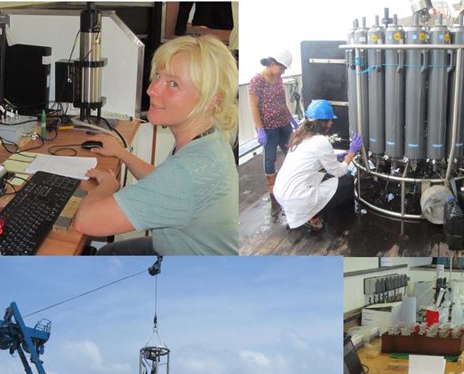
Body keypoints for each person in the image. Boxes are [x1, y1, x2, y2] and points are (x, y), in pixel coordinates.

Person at [73, 35, 238, 255]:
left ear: (212, 100)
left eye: (173, 83)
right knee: (109, 252)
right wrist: (122, 154)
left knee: (102, 254)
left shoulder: (187, 174)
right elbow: (163, 181)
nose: (152, 89)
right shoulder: (210, 140)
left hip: (194, 281)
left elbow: (86, 222)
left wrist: (108, 185)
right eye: (158, 76)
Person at [273, 99, 362, 231]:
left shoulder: (300, 137)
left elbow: (311, 160)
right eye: (329, 120)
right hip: (296, 197)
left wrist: (336, 157)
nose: (331, 123)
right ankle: (315, 215)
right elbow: (340, 171)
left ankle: (304, 212)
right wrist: (351, 153)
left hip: (280, 193)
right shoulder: (320, 141)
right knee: (347, 181)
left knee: (323, 177)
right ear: (321, 123)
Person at [249, 49, 299, 218]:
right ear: (272, 64)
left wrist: (291, 118)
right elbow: (253, 106)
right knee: (270, 158)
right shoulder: (257, 81)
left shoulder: (278, 78)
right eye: (282, 68)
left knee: (292, 151)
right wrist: (260, 129)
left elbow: (281, 102)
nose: (283, 72)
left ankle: (293, 183)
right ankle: (273, 193)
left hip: (283, 124)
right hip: (268, 127)